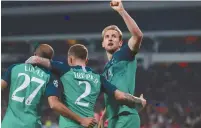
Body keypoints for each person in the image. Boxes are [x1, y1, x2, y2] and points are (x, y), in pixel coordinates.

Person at [25, 44, 146, 128]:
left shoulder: (65, 69)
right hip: (90, 125)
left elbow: (35, 59)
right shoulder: (98, 78)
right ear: (86, 61)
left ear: (70, 59)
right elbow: (121, 96)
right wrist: (138, 100)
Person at [1, 44, 96, 128]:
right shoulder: (49, 76)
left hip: (8, 124)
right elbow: (54, 104)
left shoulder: (14, 68)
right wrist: (81, 120)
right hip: (31, 124)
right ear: (50, 59)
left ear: (34, 54)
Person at [100, 0, 144, 127]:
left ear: (120, 43)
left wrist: (121, 11)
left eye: (114, 36)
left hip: (126, 116)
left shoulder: (124, 54)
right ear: (103, 43)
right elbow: (112, 95)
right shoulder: (105, 69)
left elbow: (138, 35)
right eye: (107, 36)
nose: (110, 38)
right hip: (113, 119)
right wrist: (103, 116)